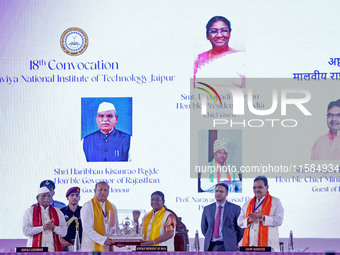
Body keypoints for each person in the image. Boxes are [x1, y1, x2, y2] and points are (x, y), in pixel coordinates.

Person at [194, 16, 245, 88]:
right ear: (207, 36)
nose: (219, 35)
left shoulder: (240, 58)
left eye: (224, 30)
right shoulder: (199, 60)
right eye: (214, 31)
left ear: (229, 33)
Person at [237, 176, 284, 252]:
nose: (256, 190)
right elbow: (240, 222)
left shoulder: (275, 202)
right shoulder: (247, 203)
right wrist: (249, 220)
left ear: (267, 187)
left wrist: (263, 217)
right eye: (254, 187)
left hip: (269, 246)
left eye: (260, 187)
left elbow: (279, 220)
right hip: (250, 245)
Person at [23, 187, 67, 251]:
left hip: (53, 250)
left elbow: (64, 232)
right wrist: (43, 228)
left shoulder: (58, 212)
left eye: (49, 196)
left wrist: (54, 228)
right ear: (37, 198)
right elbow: (26, 231)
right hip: (34, 251)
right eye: (43, 196)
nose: (47, 198)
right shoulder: (29, 212)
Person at [201, 183, 243, 251]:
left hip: (229, 247)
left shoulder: (235, 208)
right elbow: (204, 228)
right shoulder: (207, 209)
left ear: (226, 193)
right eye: (216, 191)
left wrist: (232, 241)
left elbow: (240, 230)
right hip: (211, 247)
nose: (218, 193)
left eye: (221, 191)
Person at [80, 181, 119, 251]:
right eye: (100, 189)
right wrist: (103, 240)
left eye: (105, 190)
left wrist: (118, 241)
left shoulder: (112, 207)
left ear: (108, 192)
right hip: (92, 248)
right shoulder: (88, 206)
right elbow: (87, 229)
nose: (103, 192)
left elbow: (116, 228)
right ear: (95, 191)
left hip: (107, 247)